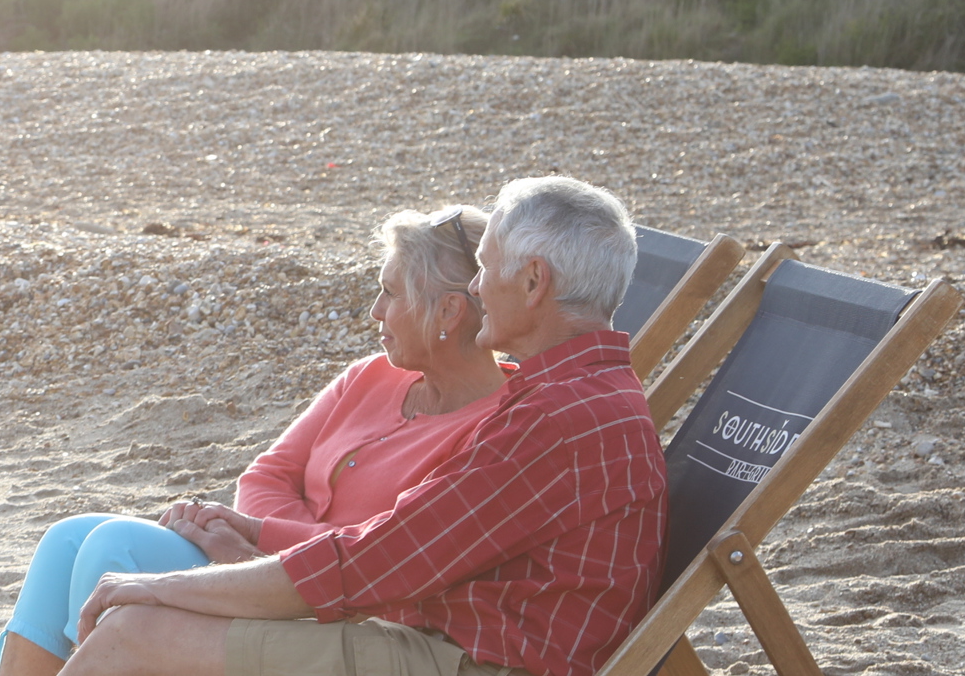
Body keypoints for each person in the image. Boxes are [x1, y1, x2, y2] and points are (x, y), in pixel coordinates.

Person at [57, 176, 667, 676]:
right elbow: (400, 550)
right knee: (140, 613)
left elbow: (370, 563)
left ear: (534, 282)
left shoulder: (557, 418)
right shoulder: (585, 395)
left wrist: (160, 588)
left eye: (485, 269)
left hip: (474, 661)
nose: (477, 288)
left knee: (134, 634)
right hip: (454, 636)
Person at [0, 204, 510, 676]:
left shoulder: (498, 426)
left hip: (332, 607)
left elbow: (381, 555)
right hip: (259, 561)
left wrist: (264, 540)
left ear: (448, 313)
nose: (375, 310)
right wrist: (265, 540)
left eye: (391, 293)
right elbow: (266, 474)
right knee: (68, 537)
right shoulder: (372, 375)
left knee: (112, 548)